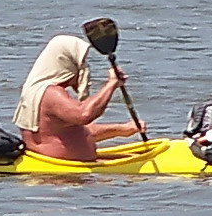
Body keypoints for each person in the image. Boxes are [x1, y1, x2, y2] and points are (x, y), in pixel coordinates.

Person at [12, 33, 146, 161]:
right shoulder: (51, 93)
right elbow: (83, 115)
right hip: (60, 178)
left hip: (64, 169)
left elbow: (73, 130)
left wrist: (124, 129)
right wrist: (111, 84)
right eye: (81, 62)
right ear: (67, 62)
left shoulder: (38, 90)